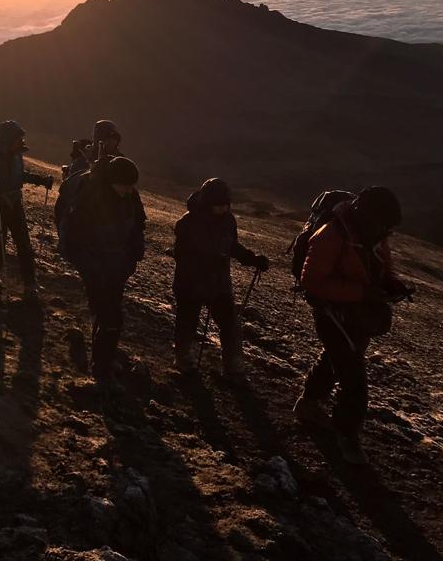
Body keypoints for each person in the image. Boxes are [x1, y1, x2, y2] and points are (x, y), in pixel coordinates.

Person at [293, 186, 410, 465]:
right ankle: (347, 436)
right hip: (331, 312)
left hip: (354, 312)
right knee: (353, 375)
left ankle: (308, 403)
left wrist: (392, 285)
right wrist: (362, 294)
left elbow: (383, 266)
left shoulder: (371, 235)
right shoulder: (331, 235)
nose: (386, 233)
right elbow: (311, 281)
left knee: (337, 358)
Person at [172, 179, 269, 379]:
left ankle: (233, 368)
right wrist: (205, 261)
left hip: (219, 283)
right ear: (207, 203)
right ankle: (184, 359)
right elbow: (181, 254)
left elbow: (232, 245)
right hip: (190, 283)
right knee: (187, 321)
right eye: (218, 205)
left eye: (225, 205)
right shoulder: (187, 223)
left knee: (230, 323)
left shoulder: (227, 220)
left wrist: (251, 259)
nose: (222, 208)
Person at [69, 156, 146, 387]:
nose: (129, 190)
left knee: (111, 315)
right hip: (96, 267)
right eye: (126, 185)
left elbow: (137, 226)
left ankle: (103, 358)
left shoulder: (130, 197)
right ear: (113, 181)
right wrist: (90, 267)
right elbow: (77, 237)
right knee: (110, 316)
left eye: (132, 185)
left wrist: (135, 251)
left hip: (117, 267)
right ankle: (102, 369)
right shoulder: (92, 199)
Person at [0, 121, 53, 300]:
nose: (21, 141)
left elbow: (19, 177)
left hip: (13, 203)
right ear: (9, 139)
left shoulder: (16, 156)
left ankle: (28, 283)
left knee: (23, 242)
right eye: (18, 138)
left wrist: (40, 180)